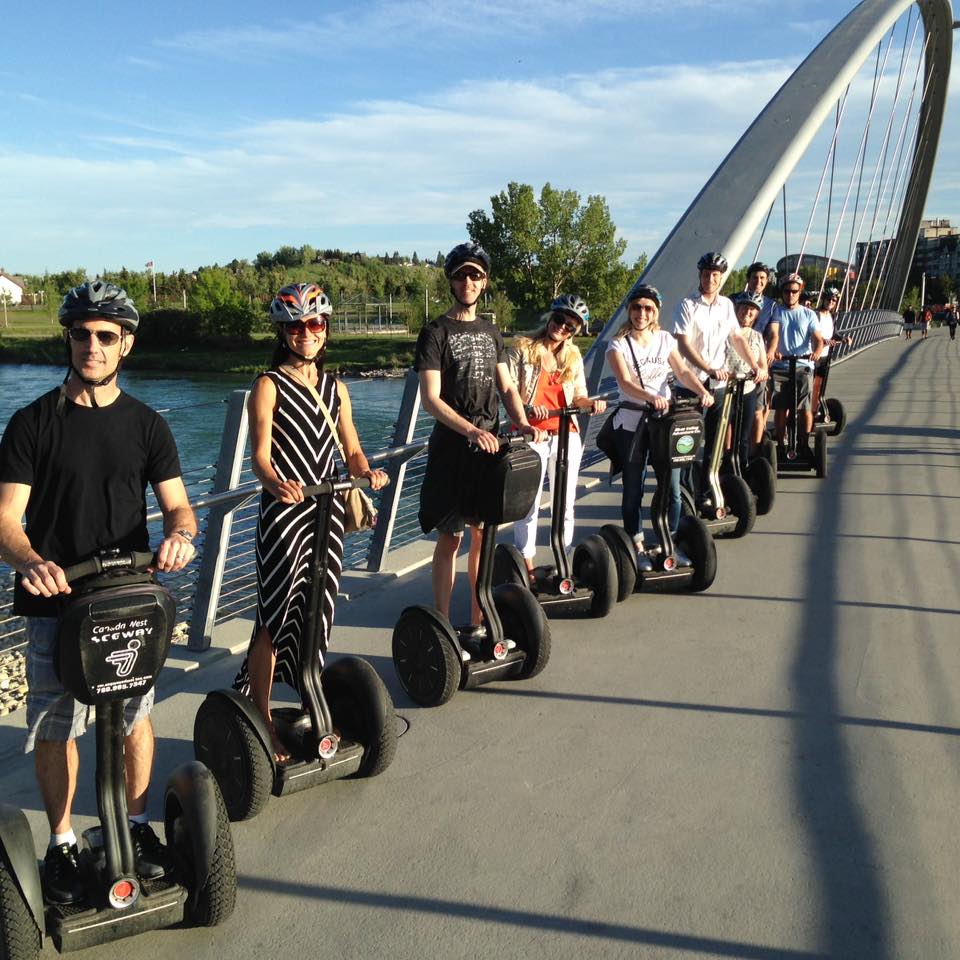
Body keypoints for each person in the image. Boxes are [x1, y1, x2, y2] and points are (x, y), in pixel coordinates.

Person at [0, 280, 197, 905]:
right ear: (69, 338)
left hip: (127, 598)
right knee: (57, 725)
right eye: (81, 334)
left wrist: (181, 538)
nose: (92, 345)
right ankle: (60, 842)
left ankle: (136, 829)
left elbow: (179, 508)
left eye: (106, 336)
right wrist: (31, 559)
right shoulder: (32, 423)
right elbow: (7, 519)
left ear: (126, 345)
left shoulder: (146, 425)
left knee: (135, 719)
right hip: (56, 601)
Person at [234, 283, 388, 762]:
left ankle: (308, 703)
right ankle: (260, 715)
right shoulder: (267, 385)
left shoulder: (335, 388)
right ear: (283, 331)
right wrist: (276, 482)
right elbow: (259, 457)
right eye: (297, 326)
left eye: (315, 324)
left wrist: (366, 472)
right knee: (275, 617)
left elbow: (352, 447)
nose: (306, 333)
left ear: (326, 330)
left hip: (328, 511)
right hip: (285, 515)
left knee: (317, 611)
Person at [415, 242, 543, 638]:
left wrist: (521, 420)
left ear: (484, 282)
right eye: (461, 275)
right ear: (451, 280)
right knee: (450, 538)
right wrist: (470, 429)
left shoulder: (490, 331)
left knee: (483, 536)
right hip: (454, 449)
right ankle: (441, 622)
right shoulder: (435, 332)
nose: (468, 281)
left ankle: (477, 618)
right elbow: (431, 399)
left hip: (490, 447)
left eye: (475, 275)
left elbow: (505, 386)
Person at [607, 284, 714, 571]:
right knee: (634, 488)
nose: (642, 313)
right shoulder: (618, 344)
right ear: (630, 310)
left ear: (656, 312)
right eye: (637, 307)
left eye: (648, 308)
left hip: (664, 425)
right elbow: (626, 383)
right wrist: (651, 397)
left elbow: (682, 372)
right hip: (632, 424)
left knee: (673, 487)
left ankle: (670, 541)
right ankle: (637, 544)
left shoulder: (665, 339)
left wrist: (702, 390)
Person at [506, 294, 606, 582]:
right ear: (550, 317)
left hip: (566, 433)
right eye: (560, 320)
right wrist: (526, 410)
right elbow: (509, 390)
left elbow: (579, 395)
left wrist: (591, 404)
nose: (562, 327)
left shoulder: (572, 356)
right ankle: (527, 568)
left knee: (565, 503)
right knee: (529, 503)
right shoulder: (523, 349)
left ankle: (563, 562)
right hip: (532, 435)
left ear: (576, 332)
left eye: (570, 326)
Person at [673, 251, 766, 509]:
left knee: (714, 444)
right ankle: (681, 498)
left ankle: (704, 494)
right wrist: (709, 368)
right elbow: (683, 344)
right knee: (688, 444)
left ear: (721, 278)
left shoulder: (726, 305)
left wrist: (756, 365)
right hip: (691, 384)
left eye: (715, 275)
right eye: (706, 274)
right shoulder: (687, 305)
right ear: (700, 276)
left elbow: (737, 338)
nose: (710, 279)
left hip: (719, 386)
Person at [766, 273, 825, 449]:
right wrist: (773, 351)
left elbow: (818, 339)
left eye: (794, 291)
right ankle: (781, 443)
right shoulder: (777, 311)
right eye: (786, 291)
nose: (790, 295)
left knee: (804, 407)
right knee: (781, 407)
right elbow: (774, 333)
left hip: (803, 365)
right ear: (782, 292)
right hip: (781, 365)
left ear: (800, 292)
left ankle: (804, 443)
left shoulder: (809, 314)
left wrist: (816, 352)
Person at [725, 291, 769, 471]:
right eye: (744, 307)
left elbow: (763, 365)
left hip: (748, 389)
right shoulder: (725, 332)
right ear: (737, 309)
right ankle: (725, 467)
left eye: (752, 309)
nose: (747, 312)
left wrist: (762, 373)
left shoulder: (757, 336)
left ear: (757, 314)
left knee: (743, 435)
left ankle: (742, 469)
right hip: (726, 389)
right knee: (725, 432)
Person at [810, 286, 851, 418]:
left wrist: (843, 338)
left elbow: (835, 333)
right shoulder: (815, 314)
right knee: (812, 385)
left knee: (819, 385)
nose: (831, 302)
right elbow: (812, 333)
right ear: (823, 299)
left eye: (834, 300)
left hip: (825, 356)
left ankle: (815, 410)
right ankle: (807, 411)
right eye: (829, 299)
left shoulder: (833, 316)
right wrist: (823, 340)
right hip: (814, 355)